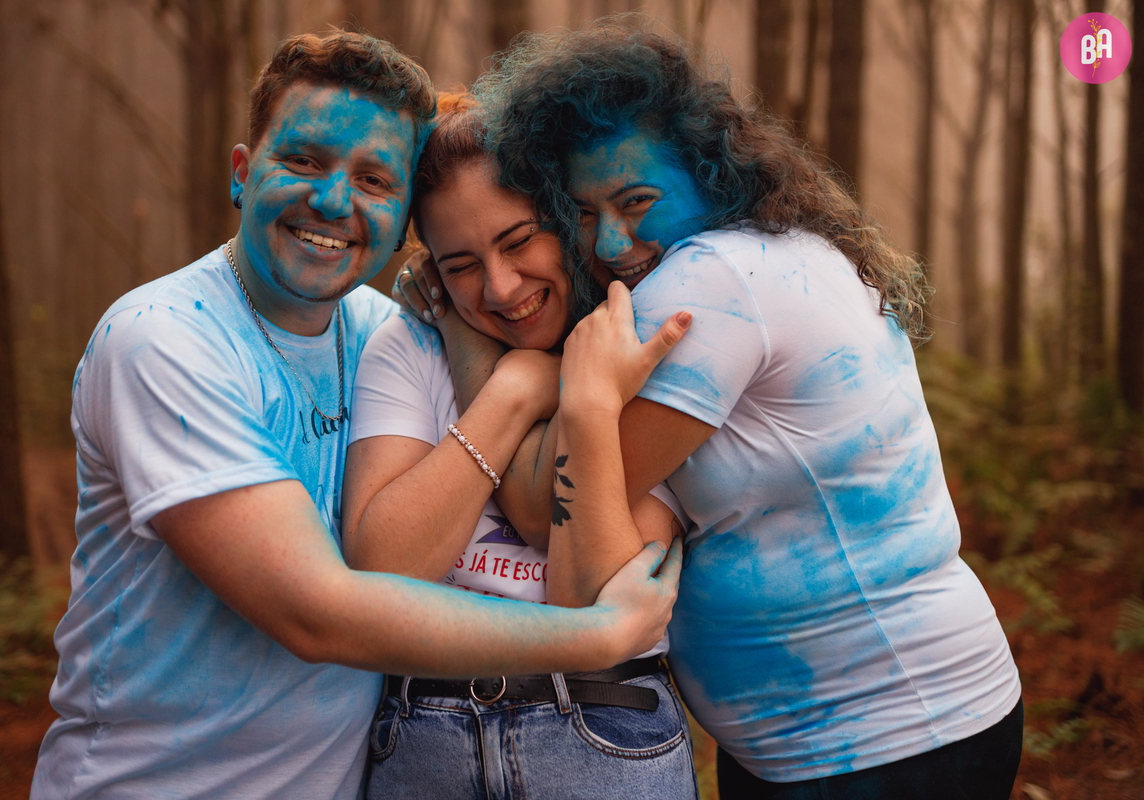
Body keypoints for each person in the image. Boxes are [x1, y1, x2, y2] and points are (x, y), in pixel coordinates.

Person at [30, 31, 681, 800]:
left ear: (403, 218)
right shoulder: (162, 341)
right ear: (242, 172)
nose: (335, 201)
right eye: (303, 161)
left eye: (373, 180)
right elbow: (316, 613)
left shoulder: (386, 331)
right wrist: (600, 633)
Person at [410, 19, 1022, 800]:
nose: (611, 243)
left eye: (637, 201)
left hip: (890, 738)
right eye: (585, 214)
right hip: (837, 743)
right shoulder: (776, 249)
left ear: (710, 171)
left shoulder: (708, 283)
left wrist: (465, 336)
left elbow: (539, 506)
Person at [341, 94, 698, 799]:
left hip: (605, 724)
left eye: (518, 241)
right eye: (461, 265)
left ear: (566, 217)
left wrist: (584, 401)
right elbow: (381, 571)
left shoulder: (640, 336)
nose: (500, 288)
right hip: (424, 733)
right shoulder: (409, 346)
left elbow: (590, 597)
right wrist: (514, 389)